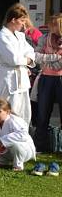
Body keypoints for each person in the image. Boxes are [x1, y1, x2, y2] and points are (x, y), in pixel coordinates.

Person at [0, 3, 35, 125]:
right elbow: (14, 59)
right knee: (9, 113)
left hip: (22, 80)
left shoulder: (20, 36)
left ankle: (22, 140)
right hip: (8, 80)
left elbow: (31, 52)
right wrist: (26, 60)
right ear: (13, 20)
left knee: (24, 113)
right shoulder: (1, 37)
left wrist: (26, 60)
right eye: (21, 21)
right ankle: (6, 141)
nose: (23, 24)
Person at [31, 14, 62, 153]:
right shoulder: (44, 38)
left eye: (54, 24)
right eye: (51, 23)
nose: (51, 26)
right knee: (43, 114)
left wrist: (48, 62)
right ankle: (40, 146)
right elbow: (35, 56)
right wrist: (55, 57)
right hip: (46, 79)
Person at [0, 98, 35, 171]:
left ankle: (18, 165)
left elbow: (23, 135)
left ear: (8, 112)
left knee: (16, 144)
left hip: (24, 151)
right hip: (5, 151)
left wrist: (3, 140)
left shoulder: (16, 120)